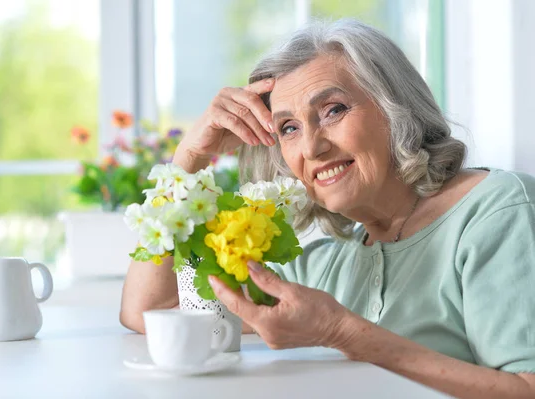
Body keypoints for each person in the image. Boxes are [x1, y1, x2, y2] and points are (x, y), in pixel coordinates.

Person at [120, 19, 535, 398]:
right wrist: (189, 158)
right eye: (289, 128)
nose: (312, 147)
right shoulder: (323, 266)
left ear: (397, 108)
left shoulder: (496, 210)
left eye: (333, 110)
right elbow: (153, 313)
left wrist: (339, 331)